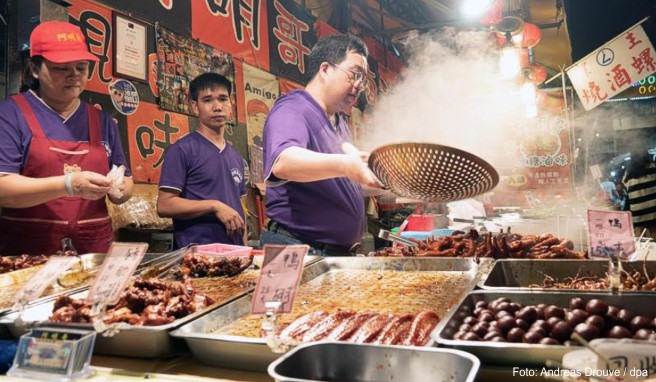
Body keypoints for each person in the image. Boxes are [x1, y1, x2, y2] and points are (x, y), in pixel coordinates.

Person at [0, 21, 133, 256]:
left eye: (81, 67)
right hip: (28, 253)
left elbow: (126, 179)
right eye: (61, 68)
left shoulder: (102, 120)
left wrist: (120, 191)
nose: (74, 76)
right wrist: (69, 184)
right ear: (34, 68)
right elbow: (3, 187)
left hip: (93, 251)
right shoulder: (10, 114)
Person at [261, 34, 383, 256]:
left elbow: (345, 181)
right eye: (354, 74)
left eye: (363, 79)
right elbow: (284, 162)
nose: (358, 85)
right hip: (296, 248)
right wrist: (347, 165)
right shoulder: (293, 107)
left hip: (332, 252)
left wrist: (388, 181)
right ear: (325, 69)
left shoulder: (339, 122)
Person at [157, 73, 247, 249]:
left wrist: (245, 251)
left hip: (235, 254)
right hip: (198, 257)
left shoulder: (236, 157)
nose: (217, 107)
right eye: (207, 100)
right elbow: (164, 205)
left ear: (231, 105)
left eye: (223, 99)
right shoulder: (182, 150)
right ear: (195, 106)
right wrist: (214, 206)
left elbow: (240, 210)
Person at [623, 144, 656, 238]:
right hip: (653, 210)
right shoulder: (653, 168)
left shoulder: (628, 173)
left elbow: (626, 189)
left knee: (639, 235)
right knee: (654, 232)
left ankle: (639, 251)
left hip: (637, 211)